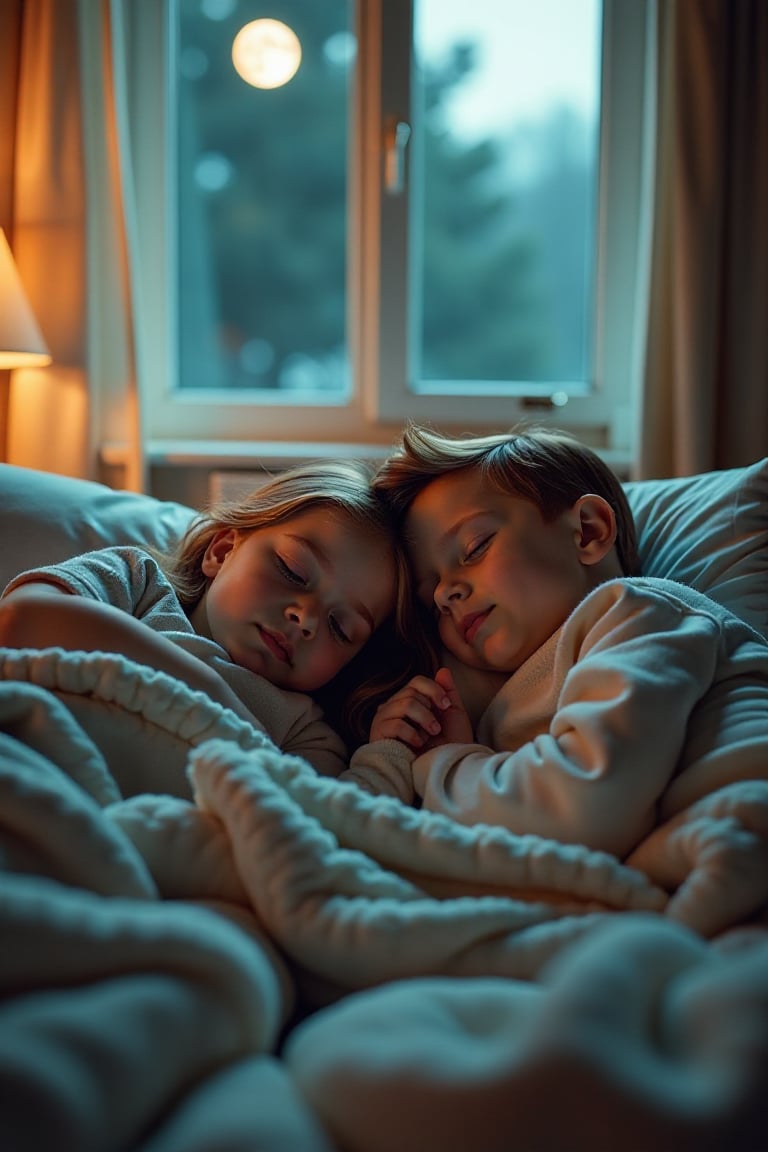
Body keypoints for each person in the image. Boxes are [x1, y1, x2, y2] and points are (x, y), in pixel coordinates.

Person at [341, 424, 768, 859]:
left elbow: (587, 807)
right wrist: (395, 751)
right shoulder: (501, 700)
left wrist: (449, 763)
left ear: (587, 531)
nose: (444, 594)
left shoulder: (639, 613)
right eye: (430, 601)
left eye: (474, 548)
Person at [0, 459, 421, 776]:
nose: (306, 617)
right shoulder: (136, 582)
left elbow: (323, 826)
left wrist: (386, 753)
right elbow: (21, 619)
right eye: (293, 570)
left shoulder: (303, 731)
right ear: (221, 552)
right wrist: (211, 692)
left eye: (340, 627)